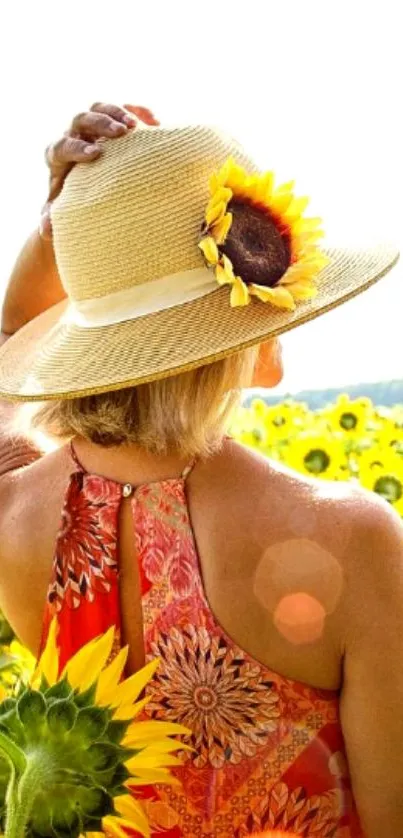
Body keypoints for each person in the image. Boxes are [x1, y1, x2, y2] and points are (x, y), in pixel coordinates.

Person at [0, 102, 401, 838]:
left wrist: (62, 231)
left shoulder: (12, 510)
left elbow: (6, 350)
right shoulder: (351, 537)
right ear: (252, 311)